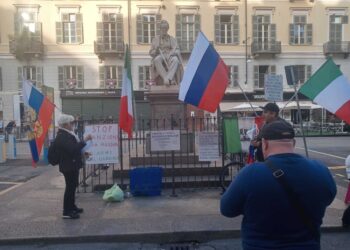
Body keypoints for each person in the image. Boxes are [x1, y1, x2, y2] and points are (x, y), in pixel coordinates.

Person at [221, 120, 336, 250]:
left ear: (264, 144)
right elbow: (329, 198)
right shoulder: (321, 170)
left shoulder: (249, 174)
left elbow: (227, 209)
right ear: (293, 143)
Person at [55, 114, 92, 219]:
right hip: (68, 166)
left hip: (72, 164)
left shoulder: (68, 134)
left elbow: (72, 150)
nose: (73, 125)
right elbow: (72, 149)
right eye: (72, 123)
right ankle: (67, 211)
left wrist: (83, 154)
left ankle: (72, 206)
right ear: (66, 124)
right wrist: (84, 140)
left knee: (73, 186)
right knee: (70, 188)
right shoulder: (62, 136)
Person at [149, 20, 183, 86]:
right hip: (160, 55)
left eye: (165, 28)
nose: (164, 30)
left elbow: (177, 50)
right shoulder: (155, 39)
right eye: (162, 28)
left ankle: (169, 78)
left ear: (167, 29)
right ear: (160, 29)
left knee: (175, 60)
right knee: (157, 59)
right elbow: (151, 52)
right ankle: (166, 79)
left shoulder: (172, 39)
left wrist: (174, 52)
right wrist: (156, 50)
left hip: (170, 55)